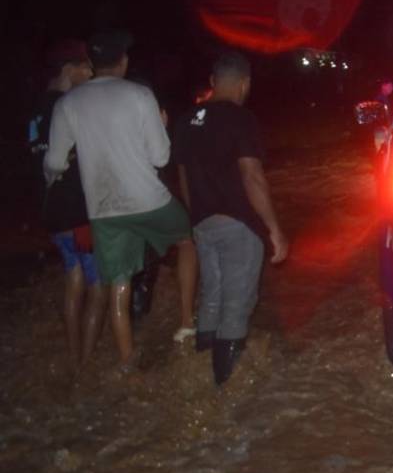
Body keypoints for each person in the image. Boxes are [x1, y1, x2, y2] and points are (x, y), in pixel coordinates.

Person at [44, 29, 198, 371]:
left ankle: (127, 364)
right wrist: (162, 126)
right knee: (186, 239)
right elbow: (160, 158)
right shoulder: (140, 95)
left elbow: (54, 163)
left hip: (103, 209)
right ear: (123, 61)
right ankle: (186, 323)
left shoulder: (68, 103)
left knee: (119, 282)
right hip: (149, 200)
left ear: (93, 64)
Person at [174, 52, 288, 385]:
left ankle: (200, 370)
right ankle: (224, 387)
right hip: (237, 224)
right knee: (237, 304)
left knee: (211, 294)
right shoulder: (242, 120)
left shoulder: (186, 119)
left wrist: (194, 216)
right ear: (244, 84)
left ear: (212, 81)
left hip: (202, 222)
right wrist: (275, 230)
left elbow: (182, 175)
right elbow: (252, 176)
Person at [30, 40, 104, 373]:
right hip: (78, 212)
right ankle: (87, 364)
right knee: (100, 288)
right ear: (67, 70)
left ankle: (74, 359)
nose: (90, 72)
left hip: (52, 213)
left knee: (73, 279)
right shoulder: (71, 106)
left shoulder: (34, 110)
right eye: (85, 66)